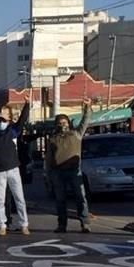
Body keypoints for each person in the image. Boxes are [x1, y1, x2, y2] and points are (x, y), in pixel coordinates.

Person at [0, 103, 31, 236]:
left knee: (19, 198)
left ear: (8, 121)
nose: (1, 123)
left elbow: (22, 121)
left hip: (14, 169)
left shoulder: (12, 132)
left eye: (3, 120)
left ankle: (24, 224)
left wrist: (26, 105)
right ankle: (1, 224)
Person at [45, 98, 92, 233]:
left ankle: (85, 223)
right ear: (56, 125)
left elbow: (85, 121)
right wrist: (49, 175)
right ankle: (62, 225)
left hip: (74, 171)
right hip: (57, 173)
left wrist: (87, 107)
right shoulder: (53, 139)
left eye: (64, 122)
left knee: (80, 197)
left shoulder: (76, 134)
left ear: (69, 123)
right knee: (60, 200)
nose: (62, 125)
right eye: (59, 123)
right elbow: (48, 158)